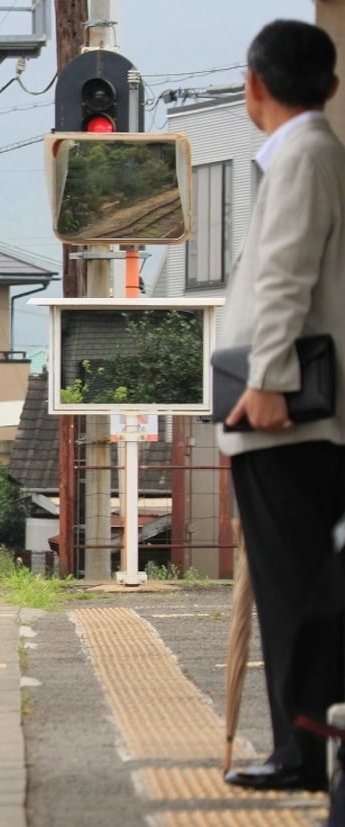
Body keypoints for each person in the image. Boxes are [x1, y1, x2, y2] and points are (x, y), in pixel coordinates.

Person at [218, 19, 345, 798]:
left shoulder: (303, 154)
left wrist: (265, 380)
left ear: (254, 85)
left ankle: (300, 752)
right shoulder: (310, 152)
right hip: (284, 411)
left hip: (284, 413)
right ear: (330, 85)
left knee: (293, 588)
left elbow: (286, 276)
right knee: (295, 586)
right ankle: (300, 746)